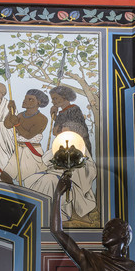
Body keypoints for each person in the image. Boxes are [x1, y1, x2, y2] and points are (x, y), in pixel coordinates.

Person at [47, 85, 99, 224]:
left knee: (79, 179)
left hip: (77, 149)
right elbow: (55, 132)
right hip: (65, 149)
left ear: (64, 97)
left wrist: (64, 128)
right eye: (52, 99)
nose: (53, 101)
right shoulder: (60, 112)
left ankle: (82, 212)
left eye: (55, 98)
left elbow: (76, 129)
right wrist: (53, 115)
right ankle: (68, 210)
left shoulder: (74, 109)